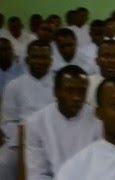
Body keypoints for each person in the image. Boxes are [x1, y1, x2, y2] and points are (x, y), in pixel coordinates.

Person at [26, 65, 102, 180]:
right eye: (70, 91)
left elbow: (100, 167)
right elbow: (36, 173)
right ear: (56, 92)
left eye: (81, 91)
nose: (76, 97)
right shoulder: (36, 122)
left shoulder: (98, 120)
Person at [0, 40, 55, 180]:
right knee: (3, 163)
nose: (39, 61)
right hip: (20, 140)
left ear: (51, 60)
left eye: (43, 57)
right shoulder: (14, 86)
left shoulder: (58, 84)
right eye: (35, 57)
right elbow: (8, 121)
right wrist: (24, 138)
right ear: (27, 60)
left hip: (54, 136)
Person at [0, 38, 24, 119]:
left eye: (7, 49)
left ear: (13, 51)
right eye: (1, 50)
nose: (4, 53)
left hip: (19, 109)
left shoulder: (22, 70)